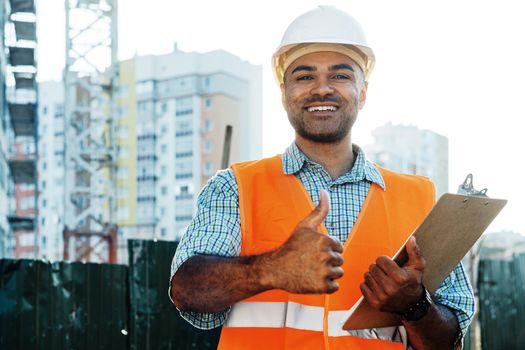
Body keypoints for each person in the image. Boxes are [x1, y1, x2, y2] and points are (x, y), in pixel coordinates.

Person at [169, 6, 474, 349]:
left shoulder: (419, 200)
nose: (322, 89)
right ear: (284, 93)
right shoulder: (234, 188)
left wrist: (415, 305)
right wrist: (271, 269)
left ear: (363, 92)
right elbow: (186, 290)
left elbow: (448, 341)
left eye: (341, 75)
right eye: (304, 76)